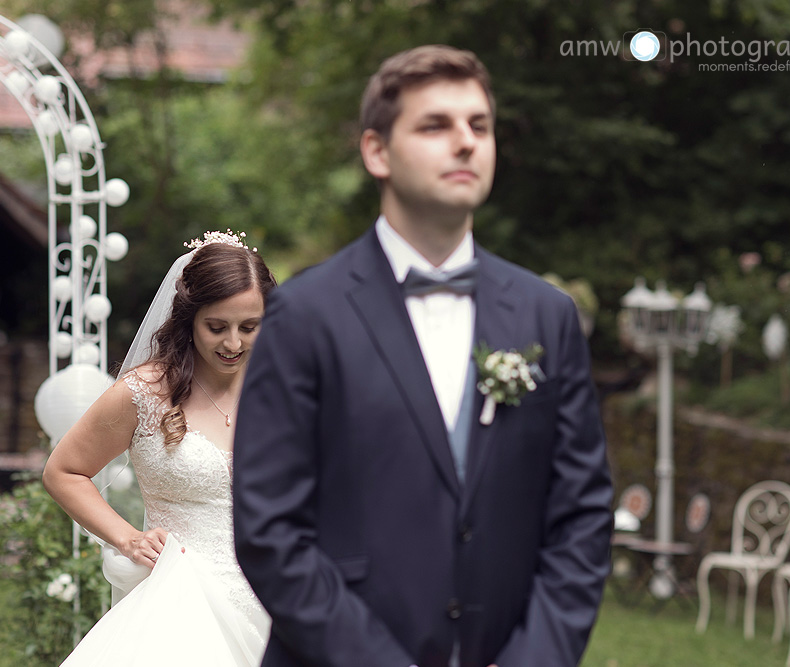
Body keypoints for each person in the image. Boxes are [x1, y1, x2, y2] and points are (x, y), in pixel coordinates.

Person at [232, 45, 613, 667]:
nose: (465, 142)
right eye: (436, 125)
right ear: (376, 151)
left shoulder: (547, 315)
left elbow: (583, 517)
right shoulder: (306, 313)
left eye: (479, 126)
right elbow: (270, 530)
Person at [43, 231, 275, 666]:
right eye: (217, 327)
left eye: (249, 327)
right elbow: (63, 471)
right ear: (189, 318)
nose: (233, 344)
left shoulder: (287, 389)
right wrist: (127, 538)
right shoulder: (144, 392)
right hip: (182, 605)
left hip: (280, 597)